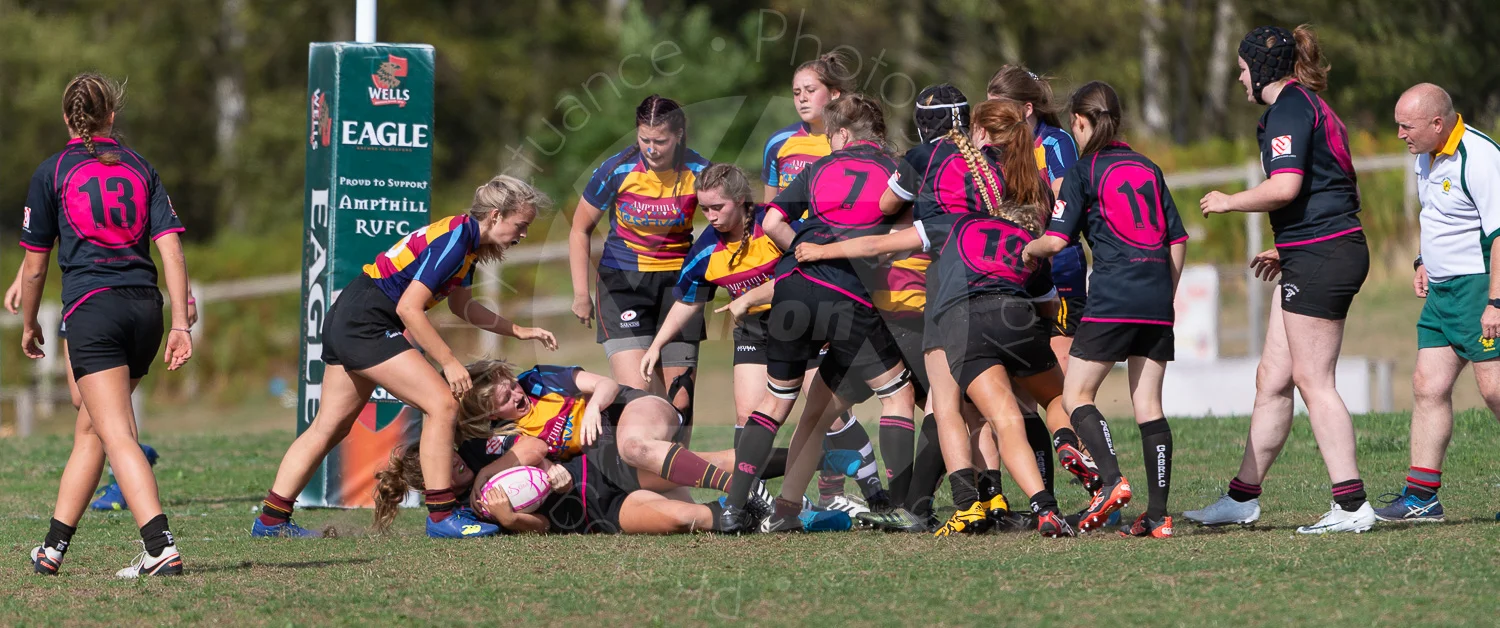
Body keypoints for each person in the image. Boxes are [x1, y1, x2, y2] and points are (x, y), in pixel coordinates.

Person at [252, 176, 557, 540]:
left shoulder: (466, 243)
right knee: (443, 404)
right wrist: (448, 360)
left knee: (330, 426)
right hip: (366, 320)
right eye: (521, 225)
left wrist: (517, 330)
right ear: (495, 216)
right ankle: (443, 516)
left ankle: (271, 520)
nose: (523, 233)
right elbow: (410, 308)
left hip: (350, 314)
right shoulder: (456, 241)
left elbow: (463, 307)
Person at [796, 192, 1077, 538]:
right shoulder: (1026, 245)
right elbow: (1051, 306)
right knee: (1003, 415)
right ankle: (1031, 492)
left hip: (946, 317)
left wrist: (821, 251)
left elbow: (875, 245)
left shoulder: (956, 221)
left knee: (945, 409)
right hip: (1013, 317)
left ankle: (962, 504)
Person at [1190, 24, 1375, 534]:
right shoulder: (1306, 105)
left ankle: (1352, 505)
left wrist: (1230, 201)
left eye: (1244, 69)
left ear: (1264, 69)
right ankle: (1241, 499)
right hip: (1312, 250)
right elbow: (1328, 183)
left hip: (1322, 254)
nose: (1239, 79)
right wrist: (1287, 245)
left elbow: (1287, 185)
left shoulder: (1289, 108)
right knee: (1272, 379)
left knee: (1314, 381)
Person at [718, 94, 916, 533]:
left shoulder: (817, 169)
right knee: (898, 395)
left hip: (791, 288)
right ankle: (901, 506)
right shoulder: (896, 169)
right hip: (848, 295)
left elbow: (770, 223)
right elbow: (905, 232)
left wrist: (806, 256)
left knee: (779, 401)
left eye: (830, 136)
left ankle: (741, 509)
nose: (828, 143)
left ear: (843, 135)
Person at [22, 73, 194, 577]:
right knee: (92, 428)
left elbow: (35, 266)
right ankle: (52, 549)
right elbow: (172, 249)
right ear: (112, 116)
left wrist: (30, 323)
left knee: (116, 432)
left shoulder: (52, 171)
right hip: (146, 309)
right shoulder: (141, 167)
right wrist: (182, 323)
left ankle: (160, 547)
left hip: (94, 310)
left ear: (66, 119)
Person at [1024, 81, 1189, 538]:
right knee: (1149, 405)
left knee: (1076, 395)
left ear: (1080, 122)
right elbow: (1178, 240)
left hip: (1113, 295)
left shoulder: (1083, 171)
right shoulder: (1149, 167)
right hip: (1156, 297)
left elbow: (1056, 241)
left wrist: (1026, 250)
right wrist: (1165, 292)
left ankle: (1112, 481)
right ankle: (1158, 517)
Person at [761, 56, 883, 512]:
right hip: (803, 275)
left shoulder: (851, 144)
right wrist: (800, 254)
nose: (801, 99)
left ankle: (846, 489)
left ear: (835, 96)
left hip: (846, 279)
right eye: (795, 92)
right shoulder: (779, 144)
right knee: (816, 403)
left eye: (810, 90)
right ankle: (838, 492)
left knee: (826, 403)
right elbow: (770, 216)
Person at [1376, 83, 1500, 522]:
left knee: (1495, 390)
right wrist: (1422, 261)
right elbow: (1437, 216)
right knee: (1428, 385)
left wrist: (1496, 303)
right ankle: (1421, 498)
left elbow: (1499, 234)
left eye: (1406, 126)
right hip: (1441, 291)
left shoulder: (1481, 157)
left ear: (1437, 123)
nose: (1399, 135)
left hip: (1478, 289)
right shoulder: (1422, 157)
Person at [568, 95, 710, 436]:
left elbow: (730, 223)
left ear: (678, 134)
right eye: (644, 139)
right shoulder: (617, 169)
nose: (651, 148)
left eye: (660, 140)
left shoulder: (699, 171)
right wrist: (580, 293)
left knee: (680, 399)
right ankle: (642, 482)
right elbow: (579, 229)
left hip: (679, 287)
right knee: (639, 398)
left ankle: (676, 482)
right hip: (622, 286)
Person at [5, 268, 180, 512]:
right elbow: (41, 239)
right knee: (82, 399)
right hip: (79, 298)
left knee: (104, 407)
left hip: (113, 300)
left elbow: (169, 245)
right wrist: (20, 277)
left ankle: (124, 473)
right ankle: (133, 453)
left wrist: (187, 298)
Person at [374, 434, 732, 535]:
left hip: (598, 472)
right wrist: (510, 520)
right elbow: (543, 525)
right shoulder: (465, 515)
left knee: (709, 464)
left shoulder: (476, 450)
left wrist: (486, 473)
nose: (453, 460)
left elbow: (534, 445)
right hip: (595, 516)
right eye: (443, 467)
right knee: (683, 519)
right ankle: (773, 518)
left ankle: (787, 482)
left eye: (445, 454)